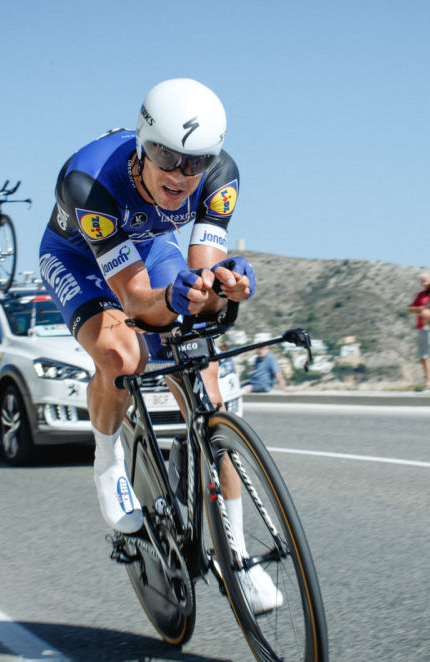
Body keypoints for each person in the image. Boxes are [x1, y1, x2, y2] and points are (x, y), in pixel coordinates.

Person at [38, 78, 280, 611]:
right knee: (123, 355)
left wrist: (225, 286)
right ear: (143, 144)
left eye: (195, 162)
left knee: (208, 389)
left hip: (149, 248)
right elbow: (136, 300)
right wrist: (171, 300)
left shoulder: (220, 176)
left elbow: (201, 278)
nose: (180, 174)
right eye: (166, 157)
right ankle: (107, 460)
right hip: (78, 258)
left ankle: (239, 558)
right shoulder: (89, 182)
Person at [407, 272, 430, 390]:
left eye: (426, 281)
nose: (424, 283)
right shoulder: (420, 295)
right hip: (421, 328)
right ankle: (428, 381)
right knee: (423, 356)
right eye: (422, 281)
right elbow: (410, 310)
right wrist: (422, 309)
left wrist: (421, 310)